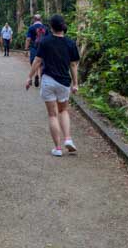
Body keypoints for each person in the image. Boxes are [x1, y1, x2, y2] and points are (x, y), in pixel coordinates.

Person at [25, 14, 80, 157]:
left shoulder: (45, 41)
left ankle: (58, 148)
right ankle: (68, 139)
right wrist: (75, 83)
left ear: (51, 27)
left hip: (49, 80)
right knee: (63, 111)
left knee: (52, 115)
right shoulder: (70, 43)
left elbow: (37, 61)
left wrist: (29, 77)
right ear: (63, 26)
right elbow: (73, 65)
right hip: (64, 82)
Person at [24, 14, 48, 87]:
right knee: (42, 64)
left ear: (34, 20)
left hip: (34, 48)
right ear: (41, 20)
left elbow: (28, 39)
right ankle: (41, 79)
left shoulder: (31, 28)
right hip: (44, 48)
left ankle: (36, 75)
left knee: (34, 62)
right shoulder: (45, 28)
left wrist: (26, 49)